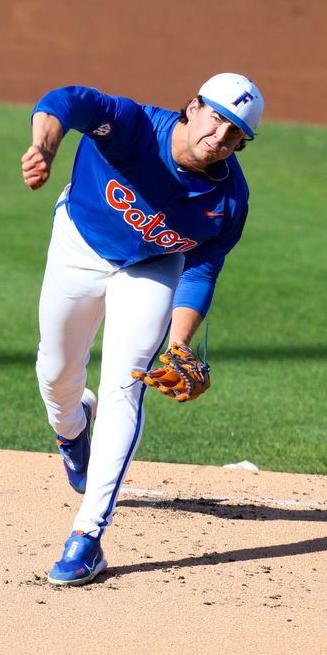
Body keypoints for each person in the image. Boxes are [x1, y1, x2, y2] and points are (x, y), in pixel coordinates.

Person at [21, 72, 264, 586]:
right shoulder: (133, 128)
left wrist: (178, 344)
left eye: (235, 134)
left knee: (125, 387)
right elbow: (65, 101)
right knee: (56, 374)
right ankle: (71, 430)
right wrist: (43, 146)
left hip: (152, 267)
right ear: (193, 107)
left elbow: (201, 269)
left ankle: (86, 537)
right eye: (217, 118)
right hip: (79, 246)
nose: (220, 138)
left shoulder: (228, 202)